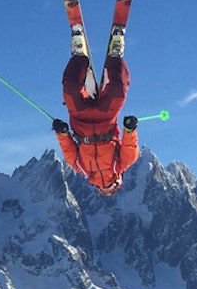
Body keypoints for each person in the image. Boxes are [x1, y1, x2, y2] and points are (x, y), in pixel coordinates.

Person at [53, 54, 139, 196]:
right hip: (105, 119)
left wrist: (62, 133)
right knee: (118, 90)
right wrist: (130, 129)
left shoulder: (82, 168)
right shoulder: (121, 164)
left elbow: (68, 149)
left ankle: (80, 57)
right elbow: (130, 146)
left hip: (81, 120)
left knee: (71, 88)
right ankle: (115, 58)